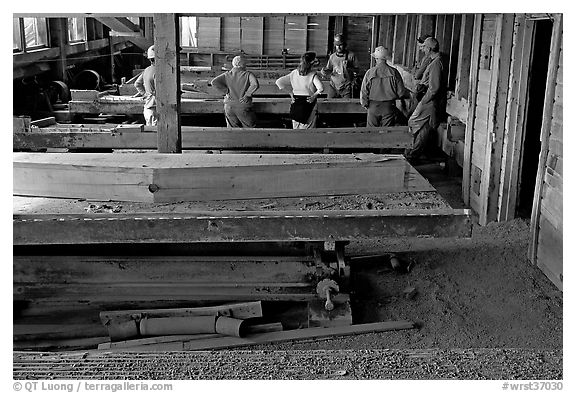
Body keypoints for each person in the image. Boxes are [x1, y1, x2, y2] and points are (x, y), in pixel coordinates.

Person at [405, 37, 447, 162]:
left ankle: (412, 153)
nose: (422, 50)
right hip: (429, 100)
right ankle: (412, 153)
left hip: (428, 101)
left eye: (424, 47)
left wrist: (424, 100)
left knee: (413, 123)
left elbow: (434, 88)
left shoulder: (436, 64)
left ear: (429, 48)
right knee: (423, 128)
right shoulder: (435, 61)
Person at [360, 46, 411, 127]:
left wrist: (365, 104)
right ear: (386, 59)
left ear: (376, 58)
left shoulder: (370, 73)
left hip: (373, 106)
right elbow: (401, 92)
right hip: (389, 106)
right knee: (386, 132)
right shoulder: (394, 72)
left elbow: (364, 91)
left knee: (371, 132)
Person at [275, 52, 324, 129]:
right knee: (308, 130)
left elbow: (278, 82)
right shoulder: (312, 75)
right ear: (312, 62)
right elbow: (321, 88)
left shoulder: (294, 73)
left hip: (296, 102)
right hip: (308, 103)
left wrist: (290, 93)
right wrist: (314, 96)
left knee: (296, 128)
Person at [210, 55, 260, 128]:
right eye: (244, 63)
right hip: (243, 106)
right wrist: (247, 95)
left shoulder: (227, 74)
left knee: (232, 131)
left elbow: (214, 82)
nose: (246, 64)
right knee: (250, 130)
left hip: (229, 106)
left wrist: (226, 91)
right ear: (240, 64)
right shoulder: (248, 74)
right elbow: (255, 85)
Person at [321, 34, 359, 98]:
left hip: (346, 87)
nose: (338, 47)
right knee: (329, 105)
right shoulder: (332, 57)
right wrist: (324, 71)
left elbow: (357, 70)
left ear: (344, 45)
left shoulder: (351, 56)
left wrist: (349, 67)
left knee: (347, 106)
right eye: (337, 45)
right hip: (333, 86)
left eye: (340, 45)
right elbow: (329, 70)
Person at [133, 45, 157, 126]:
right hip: (155, 109)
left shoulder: (147, 70)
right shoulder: (158, 72)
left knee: (151, 135)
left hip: (148, 108)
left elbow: (137, 84)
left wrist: (145, 94)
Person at [413, 34, 433, 101]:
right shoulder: (425, 57)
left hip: (424, 90)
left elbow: (417, 75)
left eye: (422, 47)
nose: (421, 49)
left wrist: (417, 68)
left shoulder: (429, 58)